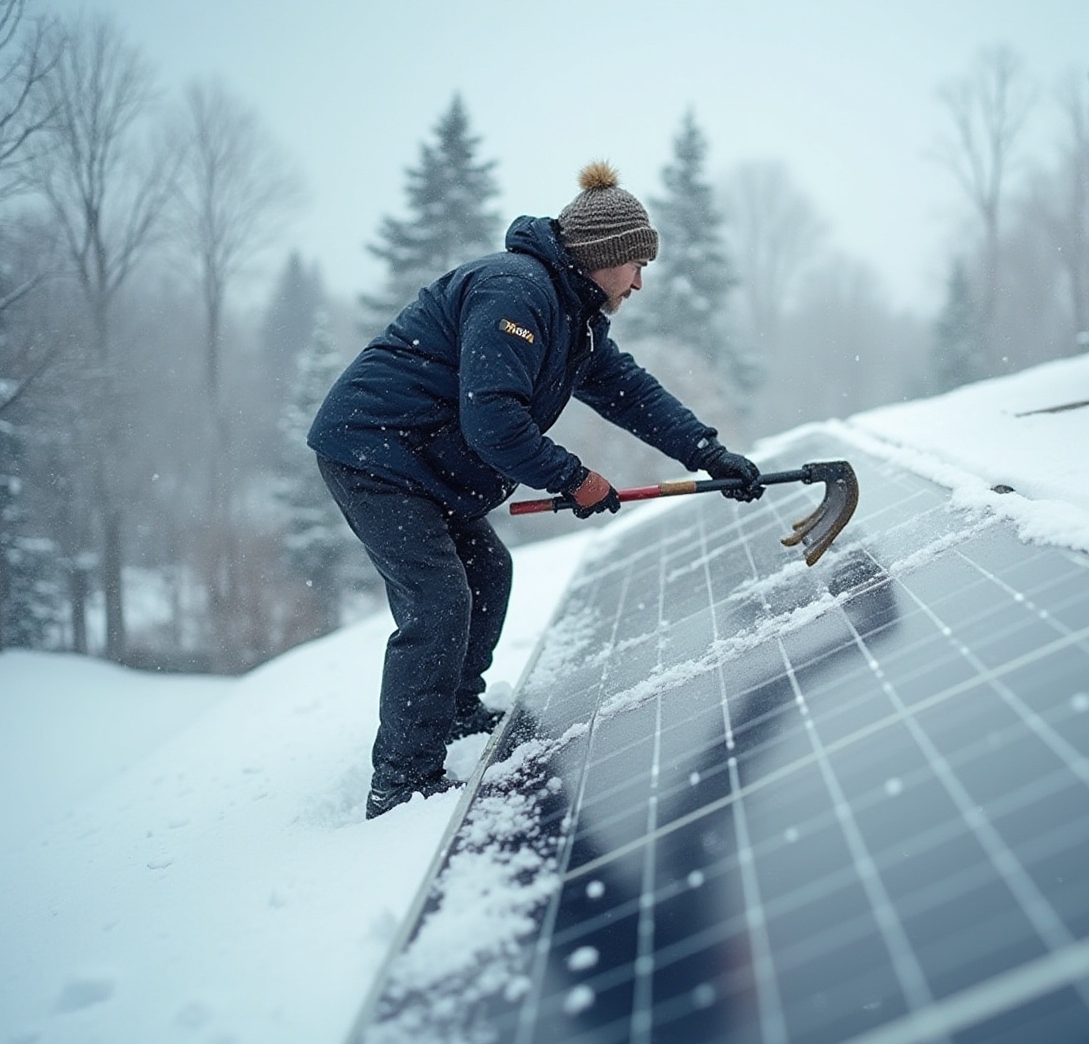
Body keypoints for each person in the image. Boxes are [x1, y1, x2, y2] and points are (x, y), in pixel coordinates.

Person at [308, 161, 764, 819]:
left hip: (424, 463)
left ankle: (457, 709)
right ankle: (401, 782)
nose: (641, 280)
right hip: (376, 455)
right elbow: (492, 419)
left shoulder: (572, 319)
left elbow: (632, 393)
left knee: (488, 572)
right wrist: (575, 478)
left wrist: (708, 452)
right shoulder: (516, 292)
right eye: (635, 263)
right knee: (437, 604)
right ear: (601, 257)